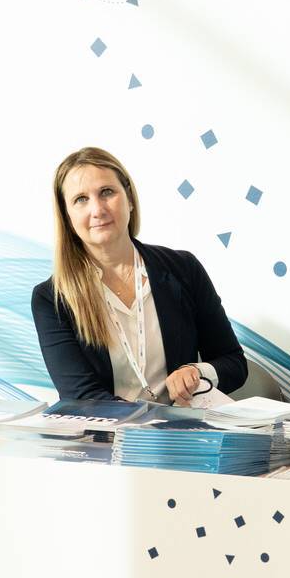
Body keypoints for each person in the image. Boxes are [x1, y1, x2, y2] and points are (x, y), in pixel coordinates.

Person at [31, 146, 247, 404]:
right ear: (67, 217)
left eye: (107, 192)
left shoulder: (184, 269)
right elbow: (82, 398)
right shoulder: (51, 299)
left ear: (130, 199)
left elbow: (233, 362)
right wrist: (150, 422)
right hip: (111, 429)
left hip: (183, 425)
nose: (97, 209)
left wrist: (196, 372)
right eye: (81, 199)